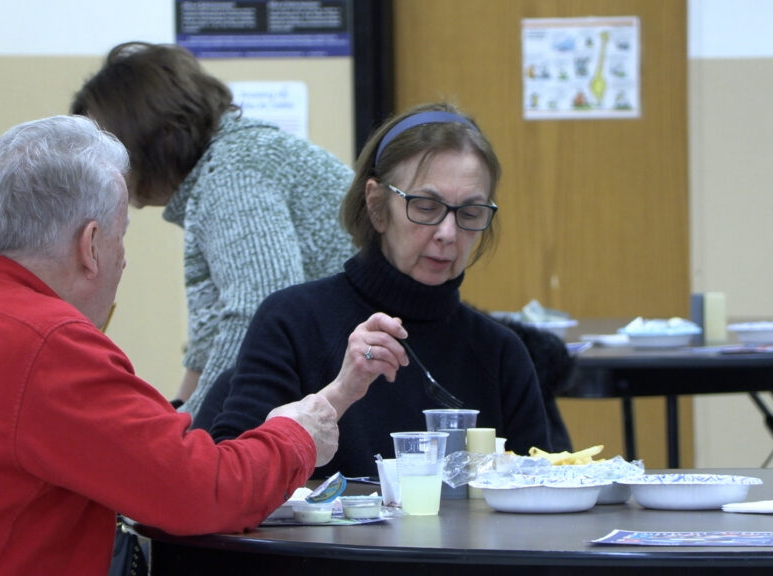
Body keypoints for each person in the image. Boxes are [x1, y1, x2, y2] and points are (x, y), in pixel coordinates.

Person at [0, 115, 383, 576]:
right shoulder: (46, 346)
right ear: (90, 245)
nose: (123, 260)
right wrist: (296, 436)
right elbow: (201, 493)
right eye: (120, 236)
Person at [210, 103, 555, 479]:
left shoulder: (500, 353)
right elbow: (232, 472)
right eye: (426, 207)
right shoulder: (293, 320)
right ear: (376, 206)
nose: (448, 234)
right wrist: (341, 391)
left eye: (470, 214)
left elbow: (537, 494)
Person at [70, 41, 356, 416]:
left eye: (107, 148)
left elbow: (257, 317)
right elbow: (213, 336)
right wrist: (177, 415)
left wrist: (188, 432)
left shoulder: (232, 173)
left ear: (148, 135)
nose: (102, 168)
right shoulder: (223, 166)